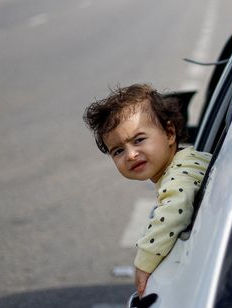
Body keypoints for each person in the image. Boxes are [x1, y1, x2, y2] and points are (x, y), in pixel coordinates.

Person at [83, 84, 211, 296]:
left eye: (139, 140)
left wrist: (145, 260)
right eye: (118, 151)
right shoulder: (182, 163)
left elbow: (175, 210)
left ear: (169, 133)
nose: (131, 154)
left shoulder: (181, 173)